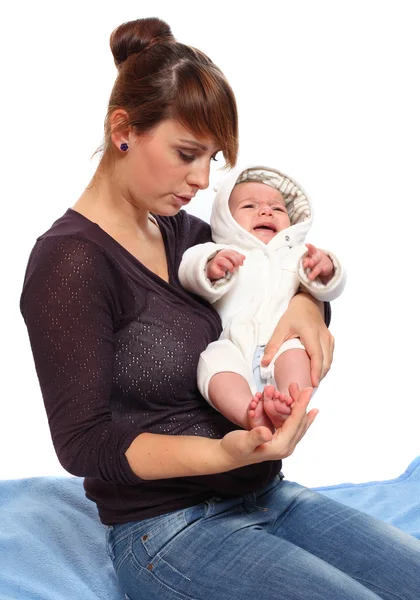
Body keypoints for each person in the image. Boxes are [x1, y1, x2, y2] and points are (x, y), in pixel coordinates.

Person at [19, 16, 420, 600]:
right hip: (168, 533)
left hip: (268, 496)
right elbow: (83, 444)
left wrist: (308, 305)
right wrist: (221, 452)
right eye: (187, 154)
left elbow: (270, 274)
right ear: (124, 130)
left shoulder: (186, 236)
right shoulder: (70, 263)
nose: (202, 180)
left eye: (212, 159)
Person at [179, 165, 346, 431]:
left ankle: (290, 405)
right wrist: (211, 267)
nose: (266, 211)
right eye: (249, 206)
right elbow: (188, 269)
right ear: (226, 219)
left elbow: (327, 290)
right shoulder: (220, 250)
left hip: (283, 339)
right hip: (233, 341)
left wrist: (325, 269)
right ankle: (248, 412)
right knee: (213, 363)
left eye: (278, 208)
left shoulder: (299, 254)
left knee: (299, 353)